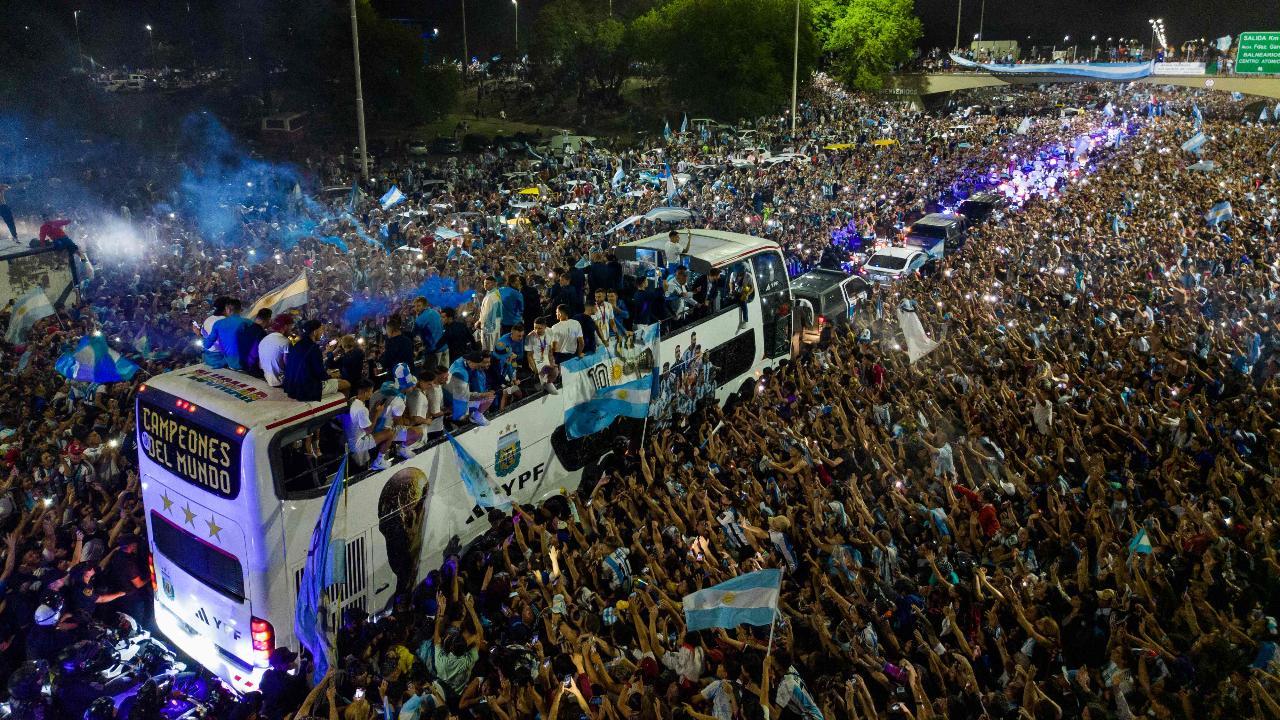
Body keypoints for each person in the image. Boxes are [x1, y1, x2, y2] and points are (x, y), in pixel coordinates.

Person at [283, 320, 347, 401]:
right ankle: (346, 410)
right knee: (346, 383)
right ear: (315, 331)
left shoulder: (296, 344)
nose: (322, 332)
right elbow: (321, 375)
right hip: (305, 389)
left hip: (291, 386)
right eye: (321, 329)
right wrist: (332, 375)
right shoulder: (314, 348)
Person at [446, 352, 495, 426]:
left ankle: (475, 415)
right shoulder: (461, 373)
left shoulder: (462, 360)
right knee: (488, 398)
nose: (477, 368)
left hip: (454, 395)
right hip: (453, 403)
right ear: (470, 361)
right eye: (477, 366)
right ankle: (474, 416)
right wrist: (481, 395)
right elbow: (464, 396)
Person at [258, 648, 307, 720]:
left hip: (269, 709)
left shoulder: (267, 674)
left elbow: (262, 686)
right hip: (281, 714)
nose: (292, 662)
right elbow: (300, 683)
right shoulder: (286, 682)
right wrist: (304, 665)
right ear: (279, 666)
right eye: (289, 661)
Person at [406, 365, 448, 442]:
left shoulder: (418, 392)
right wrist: (427, 420)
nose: (431, 386)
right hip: (418, 431)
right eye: (429, 384)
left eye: (432, 384)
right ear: (421, 382)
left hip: (420, 430)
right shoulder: (419, 397)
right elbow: (416, 419)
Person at [258, 314, 294, 388]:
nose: (291, 330)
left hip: (266, 377)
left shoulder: (264, 339)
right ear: (285, 327)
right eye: (291, 327)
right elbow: (288, 363)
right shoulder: (286, 341)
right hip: (279, 381)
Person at [525, 316, 559, 394]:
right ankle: (544, 383)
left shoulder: (550, 331)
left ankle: (544, 384)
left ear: (545, 327)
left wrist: (552, 361)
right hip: (536, 361)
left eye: (539, 328)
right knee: (554, 392)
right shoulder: (529, 337)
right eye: (535, 328)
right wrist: (535, 369)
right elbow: (529, 355)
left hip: (547, 358)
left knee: (556, 371)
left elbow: (551, 349)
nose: (537, 330)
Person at [412, 296, 446, 368]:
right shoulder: (435, 312)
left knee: (431, 375)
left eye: (418, 306)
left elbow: (413, 335)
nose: (416, 308)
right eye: (415, 306)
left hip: (433, 351)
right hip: (444, 347)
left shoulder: (420, 319)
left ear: (424, 306)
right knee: (444, 374)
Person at [237, 308, 272, 377]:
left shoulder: (247, 328)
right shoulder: (261, 333)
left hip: (241, 363)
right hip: (252, 368)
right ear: (268, 320)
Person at [477, 276, 504, 351]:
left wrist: (479, 322)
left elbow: (486, 313)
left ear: (494, 284)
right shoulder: (494, 293)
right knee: (493, 346)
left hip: (490, 325)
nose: (485, 285)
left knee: (489, 348)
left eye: (488, 283)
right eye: (485, 283)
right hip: (494, 323)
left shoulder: (492, 296)